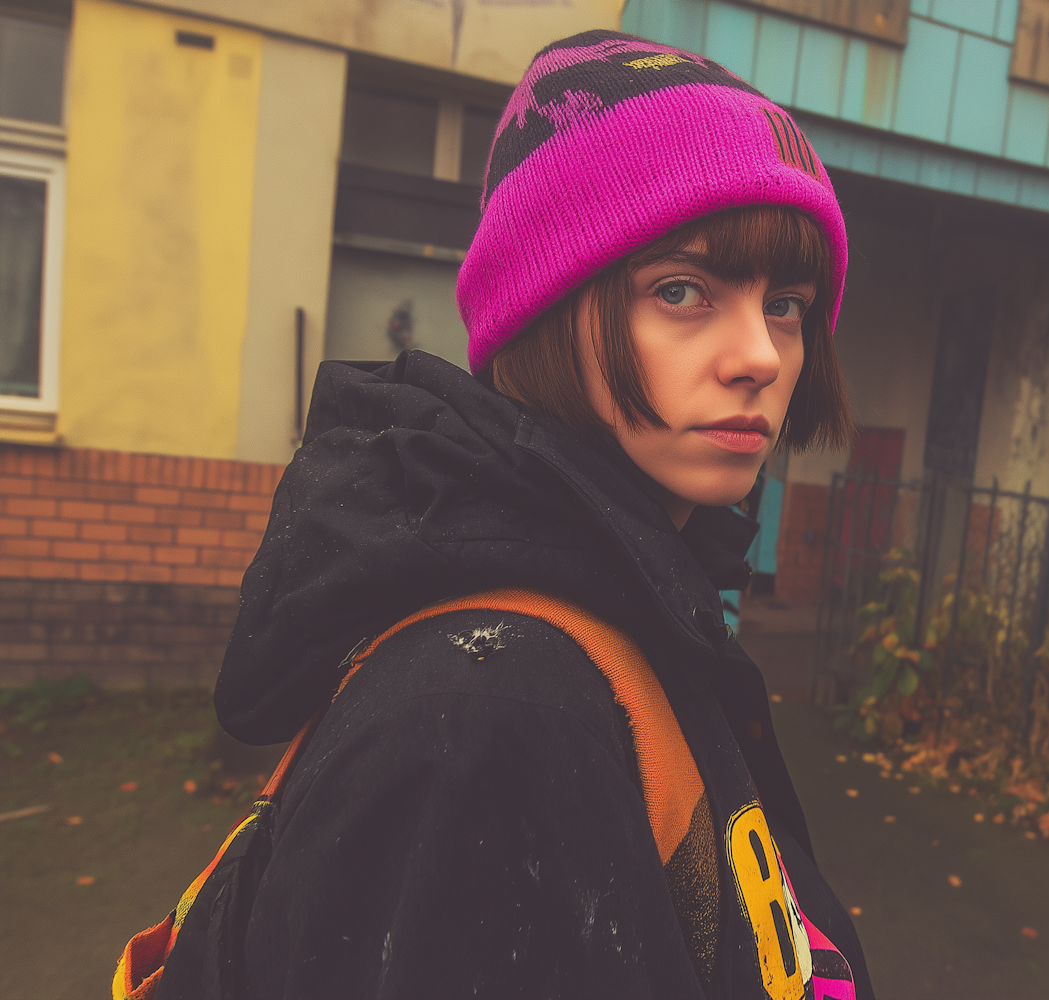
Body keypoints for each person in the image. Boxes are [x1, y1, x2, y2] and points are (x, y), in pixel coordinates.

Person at [207, 30, 873, 1000]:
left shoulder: (649, 603)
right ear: (547, 312)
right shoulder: (489, 712)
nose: (762, 355)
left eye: (787, 304)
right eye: (682, 290)